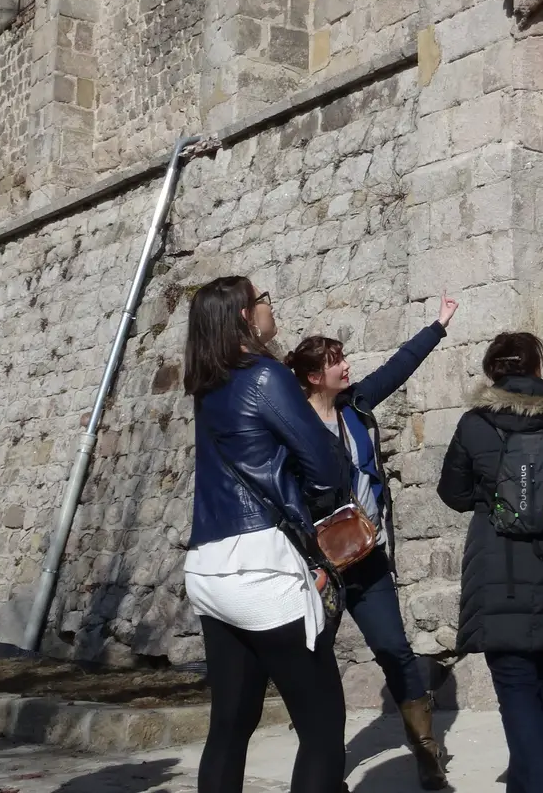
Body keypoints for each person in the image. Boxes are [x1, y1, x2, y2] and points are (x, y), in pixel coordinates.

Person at [185, 277, 356, 793]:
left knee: (230, 727)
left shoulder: (206, 384)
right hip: (262, 566)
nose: (268, 305)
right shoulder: (265, 376)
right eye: (261, 299)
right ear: (243, 316)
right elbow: (325, 467)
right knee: (323, 729)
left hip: (209, 567)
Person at [284, 296, 460, 790]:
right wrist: (307, 559)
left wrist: (437, 326)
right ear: (315, 375)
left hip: (367, 557)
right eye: (336, 361)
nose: (347, 365)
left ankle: (427, 757)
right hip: (321, 566)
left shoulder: (356, 407)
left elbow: (398, 367)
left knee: (395, 652)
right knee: (314, 661)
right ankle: (321, 767)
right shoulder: (293, 428)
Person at [437, 332, 543, 793]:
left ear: (493, 371)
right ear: (537, 367)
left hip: (498, 572)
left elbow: (451, 494)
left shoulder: (474, 424)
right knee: (538, 688)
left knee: (515, 692)